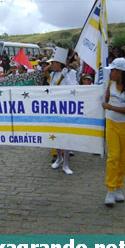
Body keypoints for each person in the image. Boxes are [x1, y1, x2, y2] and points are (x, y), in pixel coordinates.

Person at [102, 58, 125, 206]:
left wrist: (111, 107)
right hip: (111, 124)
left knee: (123, 158)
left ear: (120, 72)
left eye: (113, 70)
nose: (111, 73)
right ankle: (110, 190)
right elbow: (107, 99)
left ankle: (118, 187)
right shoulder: (111, 84)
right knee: (113, 156)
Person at [45, 47, 77, 175]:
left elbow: (75, 90)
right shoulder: (53, 74)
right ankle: (59, 158)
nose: (51, 65)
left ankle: (66, 164)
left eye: (53, 63)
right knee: (56, 135)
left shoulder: (71, 73)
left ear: (59, 63)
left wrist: (66, 77)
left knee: (66, 136)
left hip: (66, 109)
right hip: (55, 108)